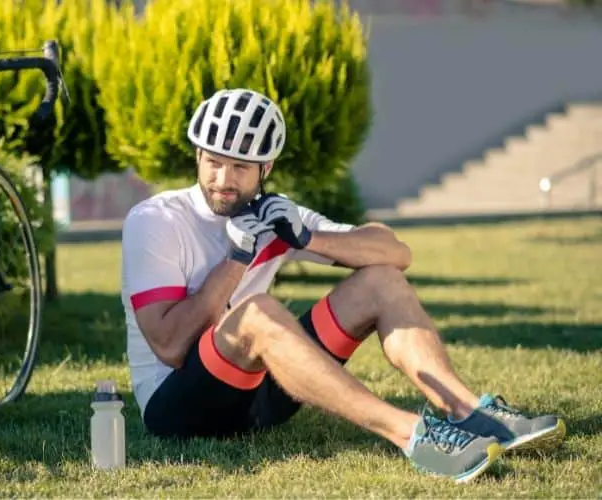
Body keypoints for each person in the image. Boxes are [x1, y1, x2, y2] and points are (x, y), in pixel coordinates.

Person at [119, 88, 566, 483]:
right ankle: (413, 435)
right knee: (258, 313)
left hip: (259, 401)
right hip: (178, 410)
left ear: (265, 167)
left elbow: (396, 253)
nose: (223, 180)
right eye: (213, 162)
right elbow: (171, 345)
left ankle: (469, 412)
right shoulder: (156, 221)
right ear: (197, 156)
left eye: (240, 167)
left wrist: (307, 237)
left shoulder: (272, 214)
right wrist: (238, 257)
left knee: (381, 281)